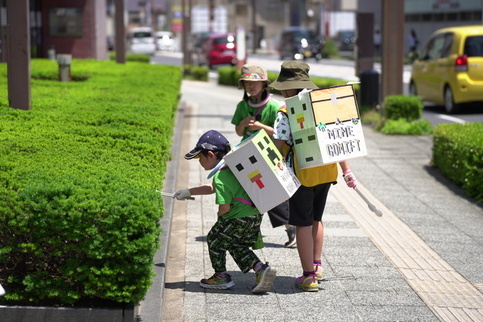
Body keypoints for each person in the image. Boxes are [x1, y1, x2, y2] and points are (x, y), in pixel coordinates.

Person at [269, 61, 357, 292]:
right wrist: (346, 171)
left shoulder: (285, 112)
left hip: (301, 175)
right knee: (317, 219)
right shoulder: (323, 106)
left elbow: (279, 147)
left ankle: (308, 276)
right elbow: (339, 140)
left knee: (302, 224)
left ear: (288, 89)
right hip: (327, 171)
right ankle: (316, 266)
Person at [173, 130, 277, 293]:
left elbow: (224, 208)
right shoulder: (235, 167)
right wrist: (189, 191)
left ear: (210, 154)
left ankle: (220, 276)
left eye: (200, 157)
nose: (199, 161)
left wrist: (220, 218)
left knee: (215, 240)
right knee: (236, 244)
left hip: (236, 217)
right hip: (255, 214)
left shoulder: (220, 176)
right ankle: (261, 269)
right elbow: (212, 188)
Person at [231, 64, 296, 248]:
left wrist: (260, 127)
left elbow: (281, 133)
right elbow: (237, 131)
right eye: (247, 83)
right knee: (248, 194)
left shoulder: (274, 106)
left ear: (264, 84)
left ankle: (290, 227)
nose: (251, 86)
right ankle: (249, 231)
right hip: (246, 156)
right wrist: (243, 123)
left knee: (274, 193)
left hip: (269, 155)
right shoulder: (242, 106)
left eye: (255, 82)